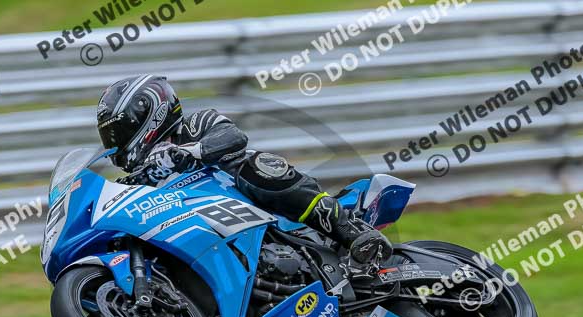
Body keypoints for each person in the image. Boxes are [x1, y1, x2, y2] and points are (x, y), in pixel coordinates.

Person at [96, 74, 392, 266]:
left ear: (151, 113)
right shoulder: (135, 179)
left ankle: (347, 228)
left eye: (119, 131)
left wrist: (190, 152)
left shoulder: (194, 125)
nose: (115, 142)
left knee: (253, 165)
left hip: (253, 212)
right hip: (201, 237)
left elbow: (233, 138)